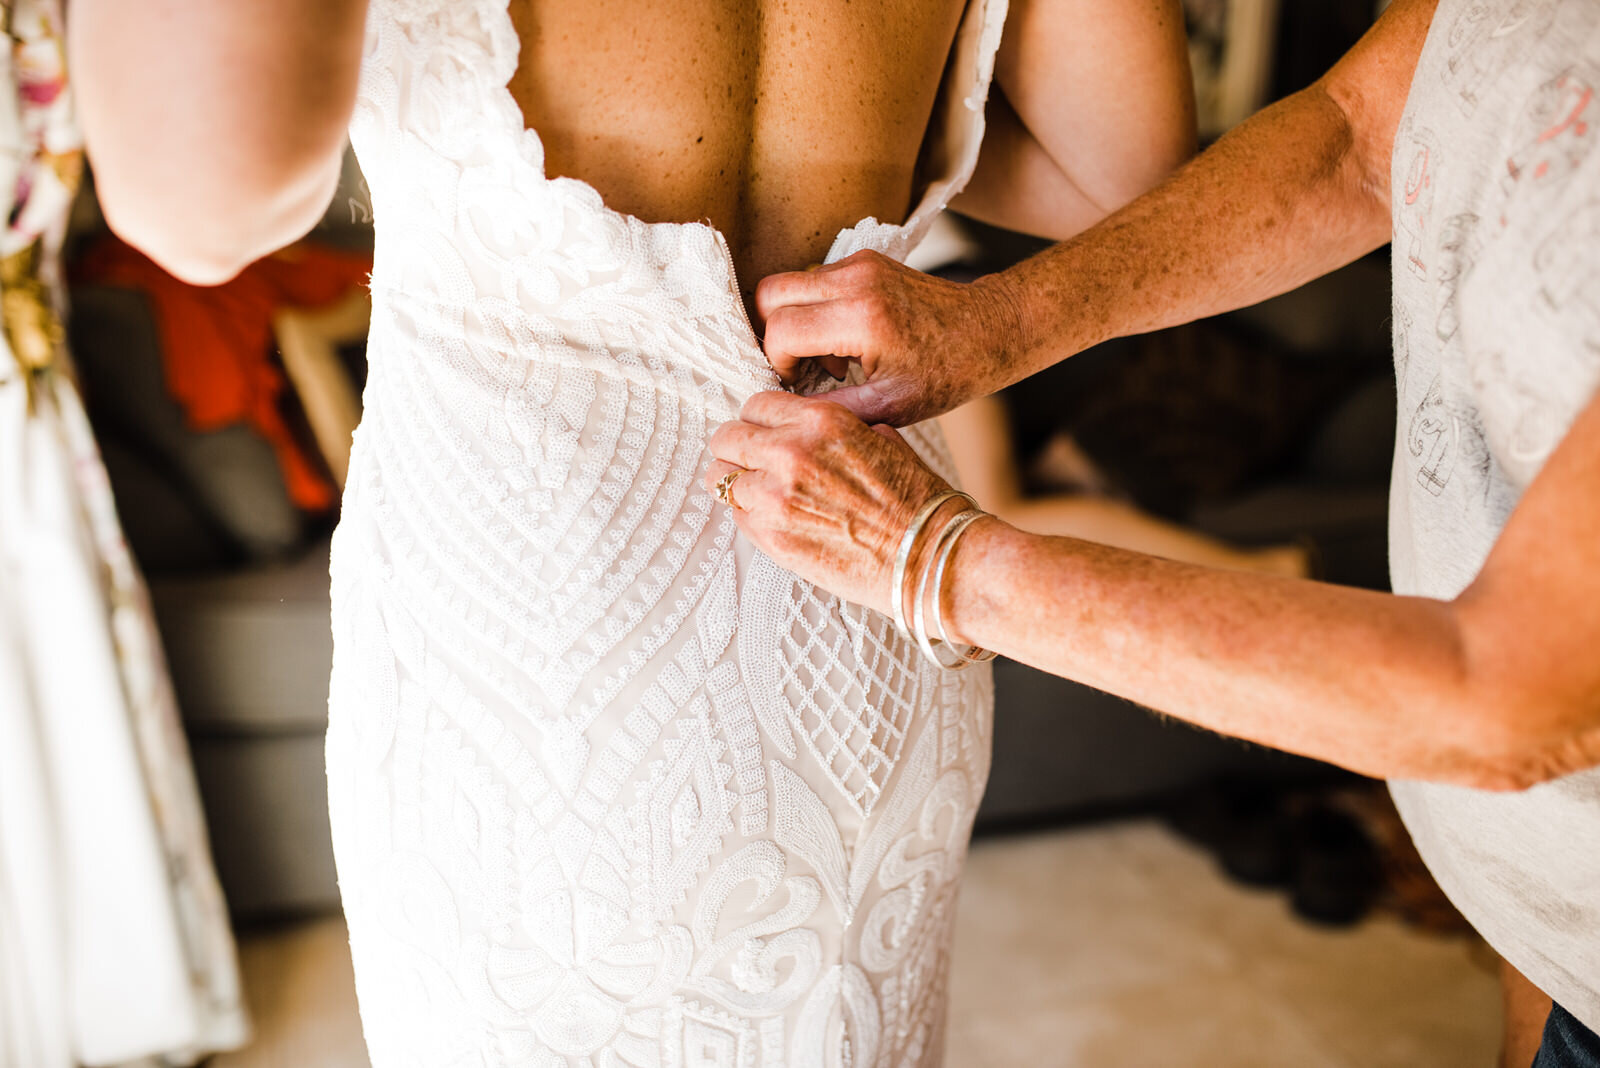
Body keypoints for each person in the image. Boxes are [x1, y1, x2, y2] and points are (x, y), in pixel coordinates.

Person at [72, 0, 1194, 1064]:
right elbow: (1122, 175)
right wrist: (885, 123)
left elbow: (197, 204)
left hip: (540, 684)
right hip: (868, 607)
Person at [706, 0, 1600, 1061]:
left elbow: (1513, 701)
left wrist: (936, 558)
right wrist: (997, 320)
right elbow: (1359, 137)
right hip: (1551, 928)